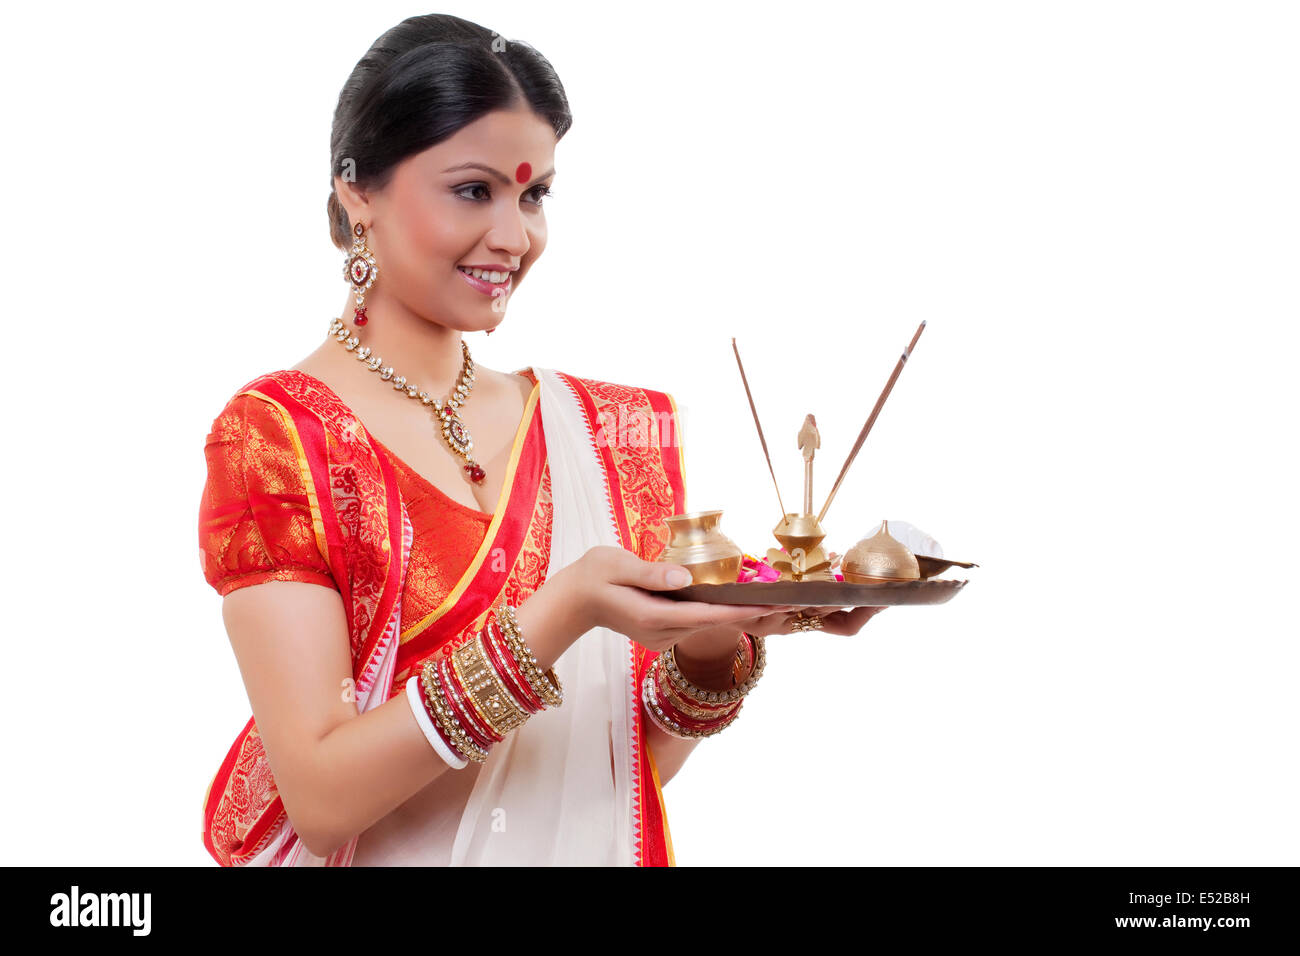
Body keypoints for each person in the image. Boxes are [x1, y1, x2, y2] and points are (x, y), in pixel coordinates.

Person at [196, 13, 885, 867]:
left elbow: (621, 772)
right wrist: (564, 610)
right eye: (474, 190)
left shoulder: (599, 433)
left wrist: (711, 636)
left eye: (535, 195)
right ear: (357, 191)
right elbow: (324, 798)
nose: (516, 237)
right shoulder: (279, 439)